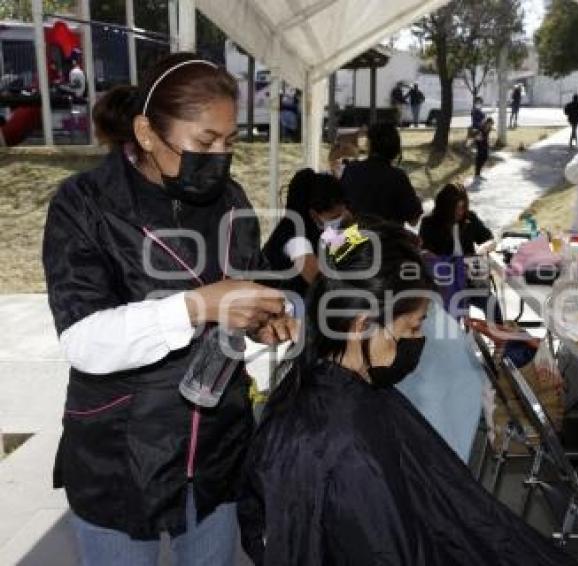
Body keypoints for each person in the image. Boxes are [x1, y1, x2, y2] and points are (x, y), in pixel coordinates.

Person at [42, 53, 295, 566]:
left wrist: (259, 321)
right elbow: (84, 341)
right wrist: (197, 306)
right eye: (204, 142)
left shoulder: (232, 203)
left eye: (229, 143)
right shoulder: (85, 204)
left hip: (215, 459)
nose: (218, 158)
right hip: (120, 463)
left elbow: (241, 296)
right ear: (147, 131)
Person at [238, 219, 578, 566]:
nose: (418, 340)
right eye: (413, 326)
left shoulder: (312, 391)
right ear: (363, 325)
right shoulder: (350, 444)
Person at [263, 169, 351, 298]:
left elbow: (343, 247)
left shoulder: (317, 227)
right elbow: (319, 283)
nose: (340, 219)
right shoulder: (295, 238)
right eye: (335, 216)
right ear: (314, 214)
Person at [419, 183, 501, 321]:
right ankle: (456, 338)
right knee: (450, 314)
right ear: (444, 207)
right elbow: (424, 254)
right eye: (455, 208)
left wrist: (483, 248)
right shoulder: (429, 223)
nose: (460, 212)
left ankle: (501, 339)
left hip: (469, 280)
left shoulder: (470, 219)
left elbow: (490, 239)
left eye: (463, 207)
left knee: (491, 304)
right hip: (445, 284)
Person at [340, 122, 423, 226]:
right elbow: (413, 221)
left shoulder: (351, 170)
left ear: (369, 144)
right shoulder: (398, 177)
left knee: (331, 238)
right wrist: (417, 201)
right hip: (387, 239)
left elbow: (341, 210)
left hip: (354, 238)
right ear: (396, 149)